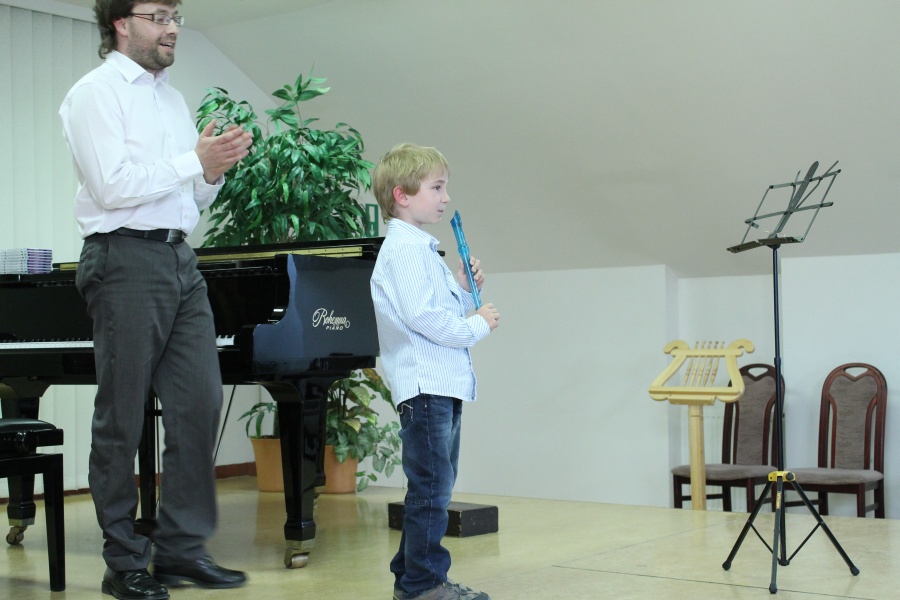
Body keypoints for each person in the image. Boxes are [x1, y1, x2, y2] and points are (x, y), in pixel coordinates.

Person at [58, 2, 253, 599]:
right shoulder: (95, 94)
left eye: (176, 16)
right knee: (122, 416)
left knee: (200, 403)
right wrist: (193, 160)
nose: (171, 28)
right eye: (158, 16)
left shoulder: (172, 98)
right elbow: (112, 186)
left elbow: (187, 196)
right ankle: (123, 562)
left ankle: (180, 551)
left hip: (178, 257)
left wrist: (211, 173)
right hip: (123, 258)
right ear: (121, 23)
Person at [370, 143, 501, 600]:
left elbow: (436, 310)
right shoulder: (405, 252)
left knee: (433, 488)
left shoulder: (421, 250)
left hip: (440, 385)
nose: (446, 198)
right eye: (437, 187)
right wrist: (477, 324)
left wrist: (462, 289)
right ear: (403, 194)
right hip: (426, 387)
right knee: (431, 489)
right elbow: (425, 319)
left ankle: (412, 579)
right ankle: (423, 585)